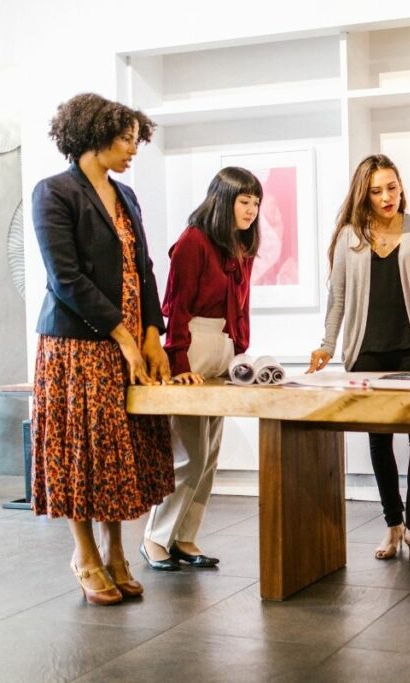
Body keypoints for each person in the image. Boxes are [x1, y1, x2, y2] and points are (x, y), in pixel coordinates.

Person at [30, 93, 183, 606]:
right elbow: (64, 277)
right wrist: (122, 333)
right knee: (83, 453)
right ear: (93, 135)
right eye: (125, 139)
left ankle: (116, 551)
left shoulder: (128, 196)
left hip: (129, 344)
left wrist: (152, 334)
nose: (132, 149)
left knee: (123, 454)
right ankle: (84, 553)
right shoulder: (53, 193)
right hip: (77, 346)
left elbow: (144, 270)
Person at [308, 154, 410, 565]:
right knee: (379, 441)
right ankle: (393, 525)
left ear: (401, 186)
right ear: (363, 195)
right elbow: (338, 300)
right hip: (365, 354)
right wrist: (327, 346)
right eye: (376, 190)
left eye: (392, 186)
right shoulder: (351, 236)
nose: (387, 196)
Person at [140, 167, 262, 570]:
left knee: (209, 455)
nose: (251, 210)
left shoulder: (240, 247)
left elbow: (240, 310)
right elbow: (176, 306)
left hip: (222, 352)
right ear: (224, 200)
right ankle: (156, 539)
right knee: (188, 453)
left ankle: (186, 537)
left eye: (256, 202)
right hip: (189, 347)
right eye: (244, 201)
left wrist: (240, 355)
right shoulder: (194, 241)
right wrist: (177, 362)